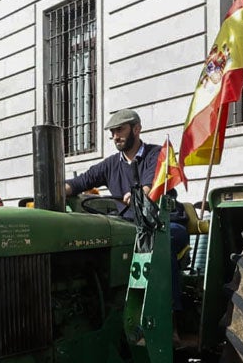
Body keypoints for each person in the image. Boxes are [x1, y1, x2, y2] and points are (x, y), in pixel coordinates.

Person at [63, 109, 190, 329]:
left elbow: (151, 186)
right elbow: (80, 182)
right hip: (130, 227)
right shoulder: (111, 164)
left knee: (159, 242)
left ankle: (172, 320)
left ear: (137, 129)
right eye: (112, 132)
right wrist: (56, 190)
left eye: (120, 130)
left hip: (164, 223)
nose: (115, 137)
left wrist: (140, 193)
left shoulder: (157, 155)